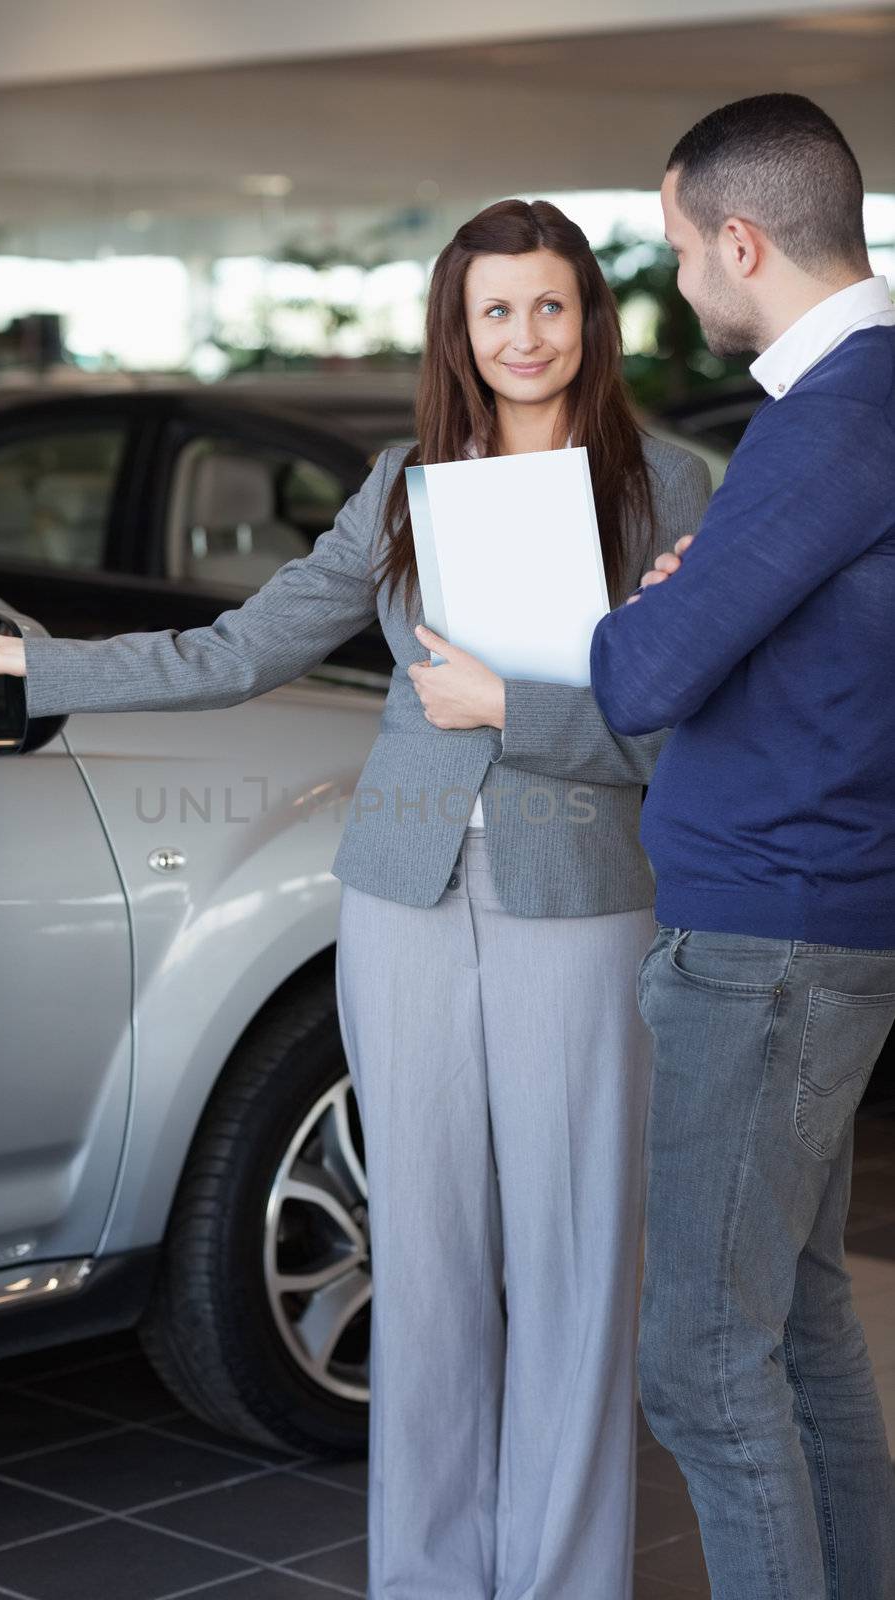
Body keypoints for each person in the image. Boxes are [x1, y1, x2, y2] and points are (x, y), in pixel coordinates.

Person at [0, 198, 710, 1599]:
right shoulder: (400, 484)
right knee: (425, 1267)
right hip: (402, 900)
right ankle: (431, 1580)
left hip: (582, 901)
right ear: (457, 327)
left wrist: (519, 708)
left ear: (590, 319)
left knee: (576, 1270)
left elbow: (691, 722)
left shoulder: (668, 490)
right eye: (494, 310)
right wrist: (27, 663)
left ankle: (568, 1582)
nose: (523, 337)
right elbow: (241, 649)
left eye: (550, 307)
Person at [590, 94, 895, 1600]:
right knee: (803, 1331)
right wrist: (706, 593)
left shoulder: (828, 419)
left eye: (681, 252)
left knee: (705, 1372)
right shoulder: (869, 409)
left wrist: (653, 609)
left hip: (767, 947)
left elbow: (640, 677)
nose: (680, 285)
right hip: (821, 928)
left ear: (744, 239)